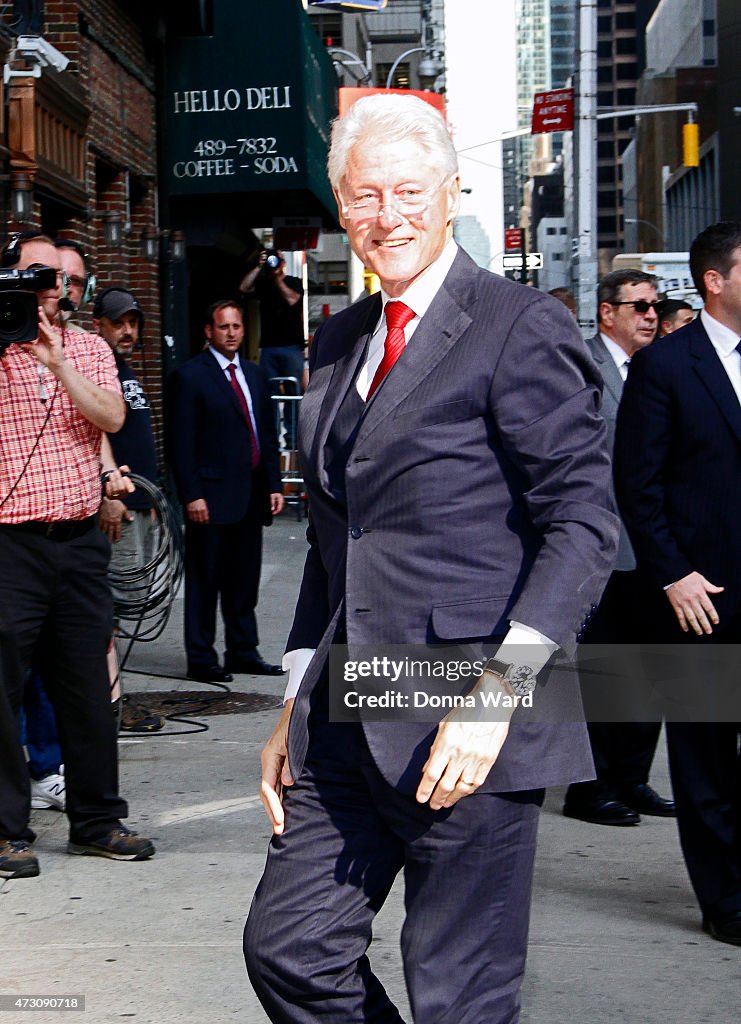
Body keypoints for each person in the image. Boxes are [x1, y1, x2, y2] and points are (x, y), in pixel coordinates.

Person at [243, 93, 619, 1023]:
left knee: (458, 994)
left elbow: (583, 523)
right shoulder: (337, 340)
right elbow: (341, 541)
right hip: (346, 707)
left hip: (469, 714)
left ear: (450, 195)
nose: (389, 215)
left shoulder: (515, 323)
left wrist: (498, 700)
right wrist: (294, 699)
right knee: (290, 951)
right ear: (341, 206)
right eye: (365, 195)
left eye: (409, 191)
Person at [0, 233, 155, 880]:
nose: (50, 289)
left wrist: (59, 364)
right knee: (1, 691)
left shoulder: (89, 348)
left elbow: (112, 418)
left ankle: (97, 820)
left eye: (60, 279)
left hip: (78, 541)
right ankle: (7, 832)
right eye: (35, 277)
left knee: (87, 688)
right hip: (10, 543)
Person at [615, 220, 741, 947]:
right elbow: (636, 486)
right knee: (703, 758)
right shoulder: (664, 367)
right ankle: (722, 897)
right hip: (698, 601)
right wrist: (672, 575)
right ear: (714, 281)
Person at [563, 270, 675, 826]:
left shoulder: (661, 369)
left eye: (656, 306)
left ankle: (633, 779)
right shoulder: (581, 364)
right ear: (607, 312)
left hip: (656, 550)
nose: (651, 315)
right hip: (599, 550)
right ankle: (592, 786)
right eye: (639, 307)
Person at [168, 300, 285, 683]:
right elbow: (180, 443)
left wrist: (273, 485)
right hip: (210, 497)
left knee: (243, 579)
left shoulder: (253, 374)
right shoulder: (190, 376)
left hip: (250, 495)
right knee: (206, 581)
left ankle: (243, 650)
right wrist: (191, 495)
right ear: (209, 331)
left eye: (237, 326)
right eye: (224, 327)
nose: (232, 332)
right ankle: (201, 657)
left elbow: (266, 435)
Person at [93, 287, 164, 733]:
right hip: (115, 506)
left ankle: (114, 697)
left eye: (132, 323)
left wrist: (153, 498)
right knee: (110, 607)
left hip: (141, 503)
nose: (127, 331)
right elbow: (94, 440)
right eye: (118, 322)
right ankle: (109, 703)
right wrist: (109, 497)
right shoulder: (97, 373)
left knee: (123, 607)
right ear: (98, 322)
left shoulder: (127, 371)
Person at [239, 249, 305, 447]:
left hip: (291, 346)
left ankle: (292, 439)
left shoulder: (293, 281)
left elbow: (292, 299)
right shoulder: (263, 283)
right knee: (270, 393)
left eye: (277, 260)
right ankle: (272, 439)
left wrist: (277, 278)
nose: (274, 263)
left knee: (293, 393)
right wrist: (260, 266)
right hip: (268, 346)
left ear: (283, 263)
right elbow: (244, 287)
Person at [54, 239, 95, 331]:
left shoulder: (91, 344)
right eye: (60, 277)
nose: (67, 289)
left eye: (76, 281)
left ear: (86, 292)